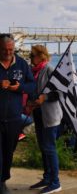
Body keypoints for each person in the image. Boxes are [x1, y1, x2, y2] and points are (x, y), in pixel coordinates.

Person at [0, 33, 35, 194]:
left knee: (8, 151)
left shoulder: (21, 63)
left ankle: (3, 179)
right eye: (4, 49)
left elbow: (31, 85)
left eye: (11, 49)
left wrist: (19, 88)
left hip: (14, 117)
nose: (8, 53)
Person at [28, 45, 63, 194]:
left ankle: (55, 182)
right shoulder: (34, 71)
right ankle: (47, 177)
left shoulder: (49, 69)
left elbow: (60, 92)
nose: (30, 58)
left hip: (50, 115)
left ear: (41, 56)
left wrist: (45, 97)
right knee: (43, 147)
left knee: (49, 147)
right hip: (38, 114)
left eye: (32, 55)